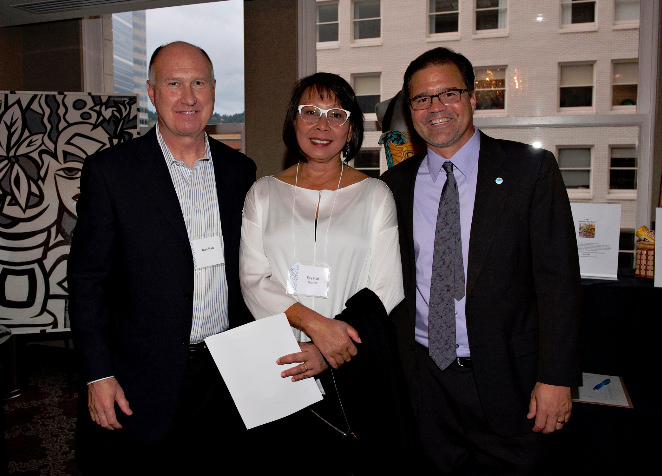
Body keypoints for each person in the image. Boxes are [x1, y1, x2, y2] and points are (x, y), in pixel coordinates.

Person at [381, 47, 582, 474]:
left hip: (513, 385)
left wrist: (558, 377)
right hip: (426, 386)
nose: (436, 108)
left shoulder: (531, 170)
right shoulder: (393, 186)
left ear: (472, 99)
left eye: (448, 93)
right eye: (422, 99)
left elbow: (559, 283)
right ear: (410, 109)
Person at [68, 41, 256, 474]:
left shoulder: (240, 172)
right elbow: (87, 282)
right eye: (174, 83)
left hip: (221, 378)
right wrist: (97, 374)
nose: (188, 97)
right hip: (138, 379)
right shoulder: (111, 172)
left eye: (198, 83)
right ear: (152, 93)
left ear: (213, 90)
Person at [239, 72, 409, 474]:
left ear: (351, 129)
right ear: (293, 121)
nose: (322, 125)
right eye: (310, 111)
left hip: (350, 360)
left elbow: (386, 287)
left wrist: (328, 348)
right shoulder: (262, 192)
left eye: (336, 114)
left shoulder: (375, 194)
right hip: (278, 362)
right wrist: (314, 325)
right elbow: (252, 279)